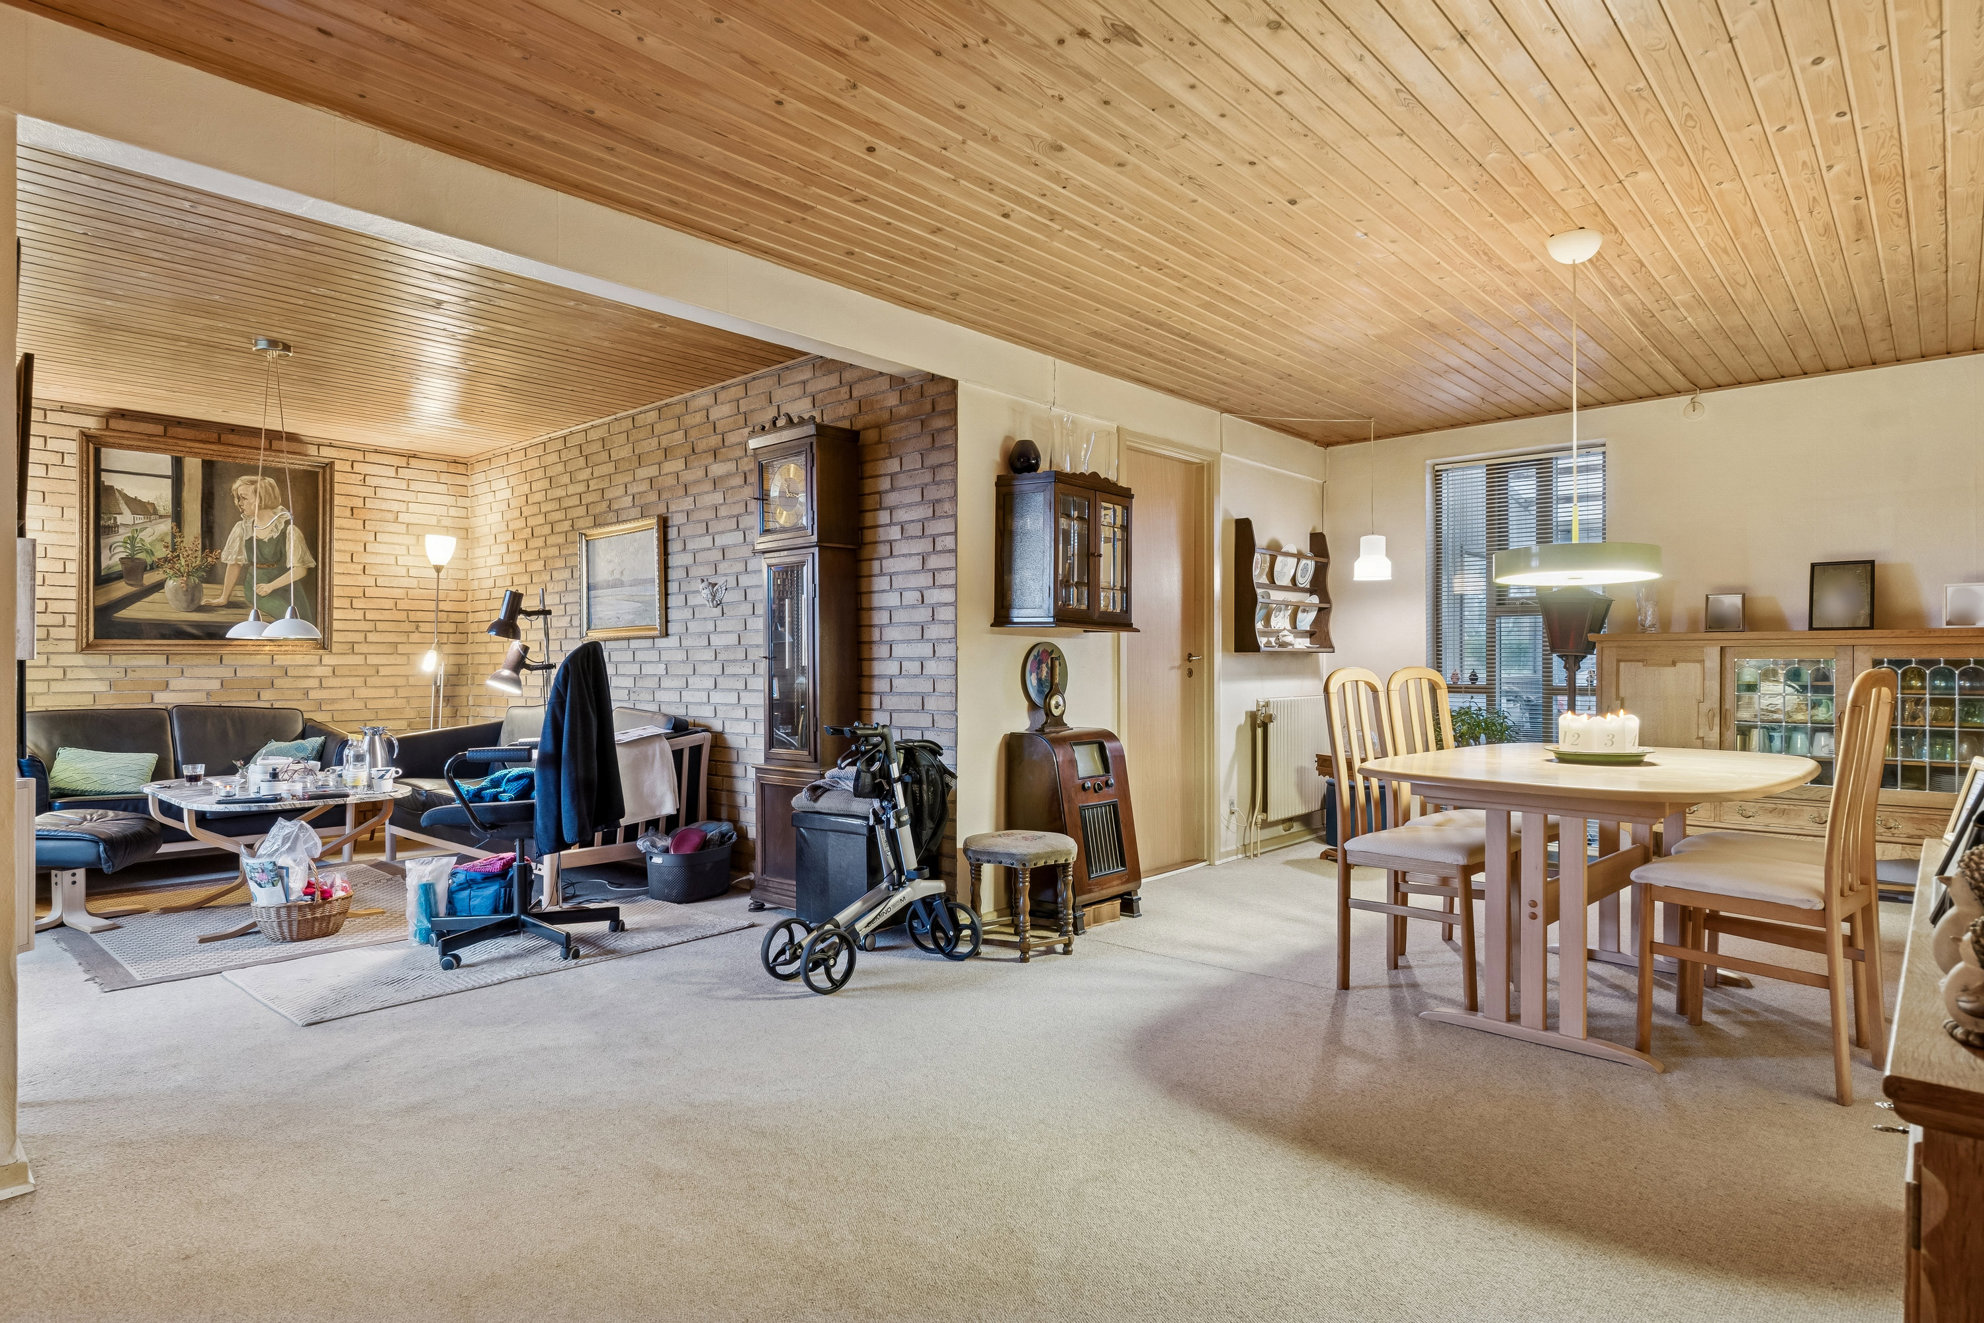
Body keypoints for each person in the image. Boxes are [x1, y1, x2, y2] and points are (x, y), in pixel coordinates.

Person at [208, 474, 316, 621]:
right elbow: (234, 564)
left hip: (287, 587)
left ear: (262, 498)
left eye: (244, 498)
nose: (239, 503)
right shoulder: (243, 529)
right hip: (257, 588)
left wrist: (271, 586)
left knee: (302, 620)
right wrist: (224, 598)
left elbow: (300, 569)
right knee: (288, 619)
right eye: (238, 498)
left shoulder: (289, 530)